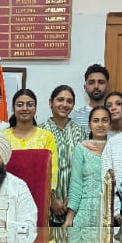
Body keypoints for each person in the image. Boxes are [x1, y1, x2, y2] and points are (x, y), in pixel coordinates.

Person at [40, 85, 88, 226]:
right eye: (60, 100)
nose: (65, 104)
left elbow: (85, 169)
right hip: (46, 208)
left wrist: (73, 200)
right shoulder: (40, 132)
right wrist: (51, 200)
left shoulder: (81, 132)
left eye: (69, 101)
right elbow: (38, 171)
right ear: (51, 102)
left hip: (75, 209)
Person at [4, 88, 58, 195]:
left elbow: (53, 170)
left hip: (39, 193)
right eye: (20, 105)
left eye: (29, 104)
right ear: (13, 108)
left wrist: (49, 194)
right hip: (8, 193)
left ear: (35, 108)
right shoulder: (3, 137)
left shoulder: (46, 137)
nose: (25, 108)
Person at [64, 106, 110, 228]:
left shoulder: (114, 148)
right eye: (96, 121)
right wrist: (69, 217)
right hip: (86, 212)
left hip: (111, 214)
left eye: (104, 120)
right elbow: (76, 184)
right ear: (89, 125)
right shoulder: (81, 149)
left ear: (110, 124)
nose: (100, 124)